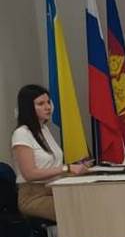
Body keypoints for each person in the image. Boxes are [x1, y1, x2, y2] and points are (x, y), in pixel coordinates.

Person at [9, 84, 90, 221]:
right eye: (41, 104)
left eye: (48, 102)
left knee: (88, 200)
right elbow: (30, 174)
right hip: (33, 196)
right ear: (28, 108)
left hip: (54, 188)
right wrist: (67, 168)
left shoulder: (44, 130)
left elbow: (51, 165)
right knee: (74, 209)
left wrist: (76, 166)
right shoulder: (21, 133)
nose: (48, 107)